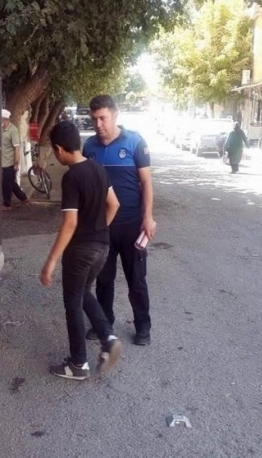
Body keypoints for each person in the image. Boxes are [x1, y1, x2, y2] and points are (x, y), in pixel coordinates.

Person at [40, 121, 122, 380]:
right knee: (84, 292)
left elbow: (70, 223)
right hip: (102, 246)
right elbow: (114, 204)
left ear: (60, 148)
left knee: (72, 304)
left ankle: (78, 364)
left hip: (81, 251)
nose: (56, 155)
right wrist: (98, 229)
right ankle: (108, 338)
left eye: (55, 151)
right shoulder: (97, 168)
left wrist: (51, 261)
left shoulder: (72, 177)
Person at [82, 95, 156, 346]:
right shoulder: (89, 147)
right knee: (103, 279)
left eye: (103, 118)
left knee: (136, 279)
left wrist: (148, 217)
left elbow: (146, 182)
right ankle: (104, 323)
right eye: (94, 119)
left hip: (132, 225)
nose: (98, 124)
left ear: (115, 116)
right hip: (102, 227)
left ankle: (143, 326)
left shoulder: (135, 142)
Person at [0, 109, 29, 210]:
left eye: (1, 120)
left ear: (6, 120)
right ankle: (23, 197)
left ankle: (7, 204)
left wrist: (17, 163)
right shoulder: (1, 129)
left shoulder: (13, 130)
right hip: (2, 161)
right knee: (11, 182)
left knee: (6, 184)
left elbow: (17, 148)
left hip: (10, 162)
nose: (0, 122)